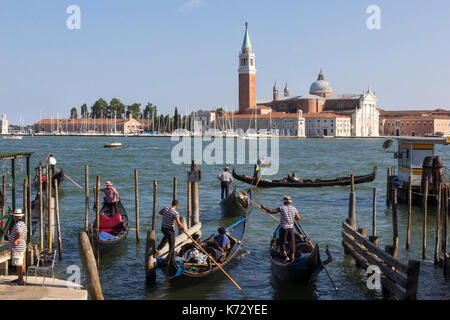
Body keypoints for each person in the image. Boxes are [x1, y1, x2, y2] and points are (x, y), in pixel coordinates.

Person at [261, 195, 301, 263]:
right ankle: (293, 258)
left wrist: (264, 207)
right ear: (289, 202)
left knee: (282, 243)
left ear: (284, 202)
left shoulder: (281, 208)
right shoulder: (294, 208)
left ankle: (286, 257)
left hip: (284, 228)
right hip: (291, 229)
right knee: (292, 243)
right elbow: (298, 218)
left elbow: (271, 211)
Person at [9, 209, 28, 286]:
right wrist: (22, 240)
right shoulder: (23, 223)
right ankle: (20, 278)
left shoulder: (18, 224)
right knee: (19, 263)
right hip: (21, 246)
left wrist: (15, 240)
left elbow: (19, 233)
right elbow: (25, 232)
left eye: (14, 216)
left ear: (15, 217)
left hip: (17, 248)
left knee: (18, 264)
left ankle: (20, 280)